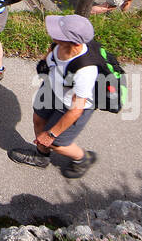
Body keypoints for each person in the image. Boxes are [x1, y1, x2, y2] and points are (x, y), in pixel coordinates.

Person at [9, 14, 99, 178]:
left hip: (70, 107)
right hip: (52, 89)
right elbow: (50, 59)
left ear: (75, 43)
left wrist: (51, 134)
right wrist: (44, 63)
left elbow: (76, 109)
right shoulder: (59, 45)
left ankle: (82, 158)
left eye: (59, 33)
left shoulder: (86, 70)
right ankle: (41, 156)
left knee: (57, 144)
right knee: (38, 120)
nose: (52, 33)